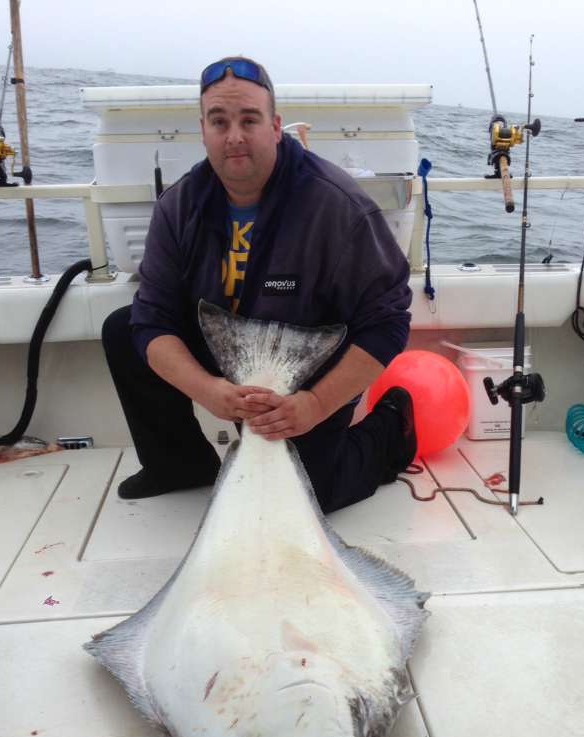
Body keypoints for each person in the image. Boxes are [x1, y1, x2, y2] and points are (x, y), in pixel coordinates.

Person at [102, 56, 416, 514]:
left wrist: (313, 404)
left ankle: (390, 429)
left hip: (308, 366)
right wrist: (208, 389)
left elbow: (386, 322)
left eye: (249, 119)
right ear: (203, 129)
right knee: (122, 329)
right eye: (219, 121)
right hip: (224, 350)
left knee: (310, 498)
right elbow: (153, 318)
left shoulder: (337, 206)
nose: (234, 136)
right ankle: (179, 464)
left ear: (275, 126)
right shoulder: (179, 206)